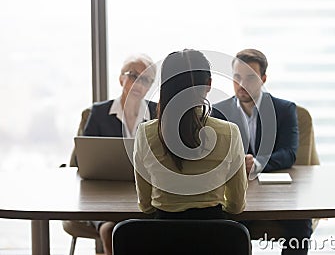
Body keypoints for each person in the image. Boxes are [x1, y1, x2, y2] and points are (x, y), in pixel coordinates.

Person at [212, 49, 312, 254]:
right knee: (224, 225)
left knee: (301, 224)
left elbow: (289, 153)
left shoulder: (284, 110)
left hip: (276, 195)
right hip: (235, 194)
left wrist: (257, 163)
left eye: (250, 78)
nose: (242, 84)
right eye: (237, 77)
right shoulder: (218, 112)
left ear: (263, 78)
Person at [133, 49, 247, 220]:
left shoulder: (145, 134)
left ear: (164, 86)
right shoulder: (229, 133)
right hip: (215, 242)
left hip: (163, 242)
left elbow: (146, 206)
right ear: (208, 84)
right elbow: (236, 206)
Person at [82, 54, 157, 255]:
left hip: (147, 193)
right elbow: (85, 158)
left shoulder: (157, 113)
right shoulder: (98, 113)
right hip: (104, 193)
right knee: (110, 229)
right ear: (121, 78)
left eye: (145, 79)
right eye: (133, 75)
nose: (138, 83)